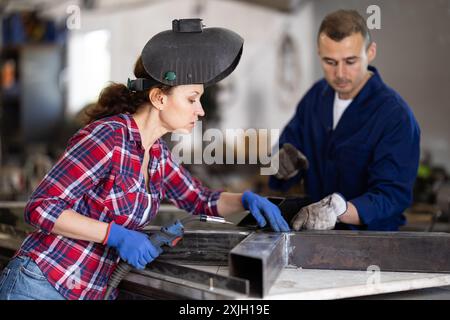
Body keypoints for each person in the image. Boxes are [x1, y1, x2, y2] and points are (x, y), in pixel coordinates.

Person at [0, 19, 289, 301]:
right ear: (159, 98)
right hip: (41, 285)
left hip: (89, 291)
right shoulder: (108, 137)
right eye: (192, 99)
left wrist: (247, 200)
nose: (200, 110)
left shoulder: (158, 155)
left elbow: (200, 199)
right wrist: (115, 236)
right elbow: (41, 208)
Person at [269, 10, 420, 231]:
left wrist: (339, 210)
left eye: (350, 61)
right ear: (319, 53)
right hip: (312, 240)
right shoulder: (315, 98)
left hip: (371, 246)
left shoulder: (395, 116)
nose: (340, 73)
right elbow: (286, 152)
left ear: (371, 52)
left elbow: (392, 196)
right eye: (330, 62)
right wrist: (281, 163)